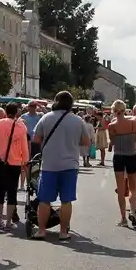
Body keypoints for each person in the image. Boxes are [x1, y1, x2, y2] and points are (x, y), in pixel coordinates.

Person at [32, 91, 90, 240]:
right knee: (66, 200)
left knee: (44, 199)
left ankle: (41, 231)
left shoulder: (46, 118)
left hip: (49, 164)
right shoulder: (78, 120)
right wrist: (72, 141)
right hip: (70, 165)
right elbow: (86, 142)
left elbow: (36, 139)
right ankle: (63, 232)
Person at [0, 102, 30, 231]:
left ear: (6, 111)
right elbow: (24, 147)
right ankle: (9, 222)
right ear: (17, 112)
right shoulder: (21, 126)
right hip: (15, 163)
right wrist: (25, 161)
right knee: (12, 192)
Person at [107, 101, 136, 227]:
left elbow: (113, 143)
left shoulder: (112, 125)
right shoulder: (132, 123)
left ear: (114, 111)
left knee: (120, 189)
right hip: (131, 155)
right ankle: (133, 212)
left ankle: (123, 218)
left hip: (119, 156)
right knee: (133, 188)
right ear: (125, 110)